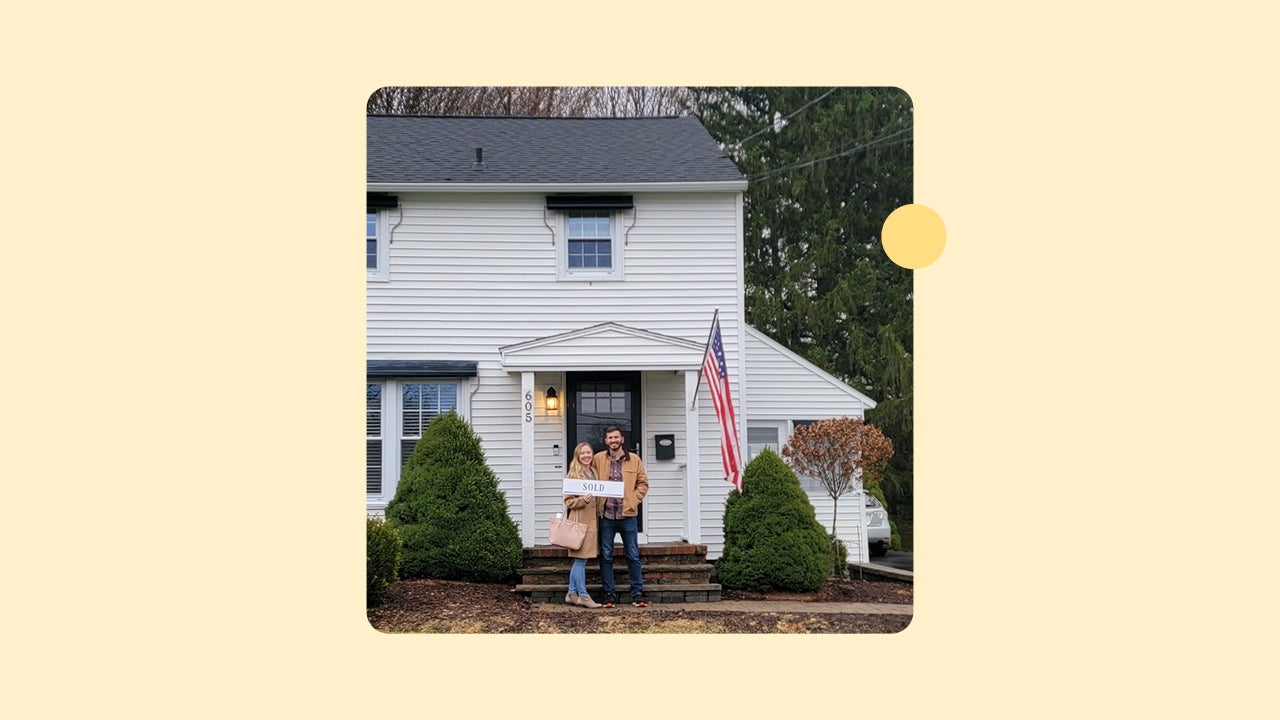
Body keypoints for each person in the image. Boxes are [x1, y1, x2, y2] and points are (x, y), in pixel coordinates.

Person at [592, 426, 650, 607]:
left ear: (622, 439)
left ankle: (637, 593)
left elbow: (643, 483)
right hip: (606, 514)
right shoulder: (598, 459)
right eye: (610, 438)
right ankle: (609, 593)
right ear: (606, 441)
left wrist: (633, 499)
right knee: (606, 555)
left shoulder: (634, 460)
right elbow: (588, 478)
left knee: (632, 555)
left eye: (616, 437)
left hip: (628, 514)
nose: (613, 440)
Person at [563, 442, 603, 608]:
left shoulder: (593, 471)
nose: (586, 456)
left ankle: (572, 594)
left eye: (588, 452)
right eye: (583, 453)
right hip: (580, 521)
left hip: (593, 521)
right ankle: (583, 595)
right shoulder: (573, 474)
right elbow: (568, 501)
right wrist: (582, 500)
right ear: (577, 456)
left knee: (581, 560)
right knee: (581, 559)